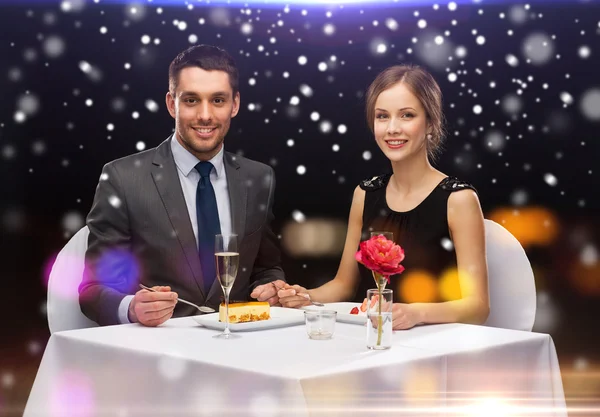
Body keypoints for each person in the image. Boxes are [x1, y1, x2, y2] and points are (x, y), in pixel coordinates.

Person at [79, 45, 285, 327]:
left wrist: (274, 287)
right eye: (191, 100)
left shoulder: (259, 179)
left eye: (217, 100)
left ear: (235, 104)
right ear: (171, 103)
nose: (204, 115)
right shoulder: (122, 178)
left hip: (242, 348)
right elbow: (92, 290)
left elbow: (266, 268)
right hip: (158, 355)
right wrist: (131, 308)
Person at [278, 65, 490, 330]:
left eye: (407, 115)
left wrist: (414, 313)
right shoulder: (365, 194)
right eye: (382, 116)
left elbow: (478, 306)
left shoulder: (458, 199)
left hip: (437, 348)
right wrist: (305, 296)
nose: (392, 128)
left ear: (431, 124)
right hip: (373, 341)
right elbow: (343, 285)